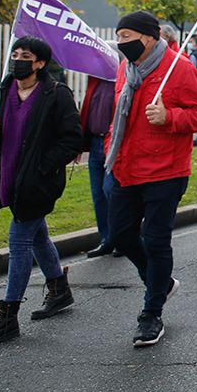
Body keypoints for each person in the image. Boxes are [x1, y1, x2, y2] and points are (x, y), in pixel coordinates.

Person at [106, 11, 197, 347]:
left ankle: (151, 312)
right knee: (122, 236)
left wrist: (170, 116)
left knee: (155, 240)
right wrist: (111, 146)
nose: (122, 42)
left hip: (165, 172)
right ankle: (161, 282)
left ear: (150, 37)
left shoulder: (178, 68)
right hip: (125, 168)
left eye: (127, 35)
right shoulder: (126, 69)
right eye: (119, 35)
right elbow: (119, 114)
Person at [0, 36, 84, 348]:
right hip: (9, 177)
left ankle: (8, 315)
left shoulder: (56, 94)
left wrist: (44, 167)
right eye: (15, 54)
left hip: (39, 183)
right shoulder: (1, 92)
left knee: (19, 241)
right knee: (37, 236)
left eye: (25, 56)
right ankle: (59, 289)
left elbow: (73, 138)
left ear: (40, 63)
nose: (17, 60)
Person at [80, 75, 117, 257]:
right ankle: (106, 239)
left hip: (114, 143)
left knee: (110, 190)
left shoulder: (125, 79)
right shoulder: (95, 80)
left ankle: (121, 238)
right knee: (98, 195)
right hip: (96, 142)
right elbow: (88, 110)